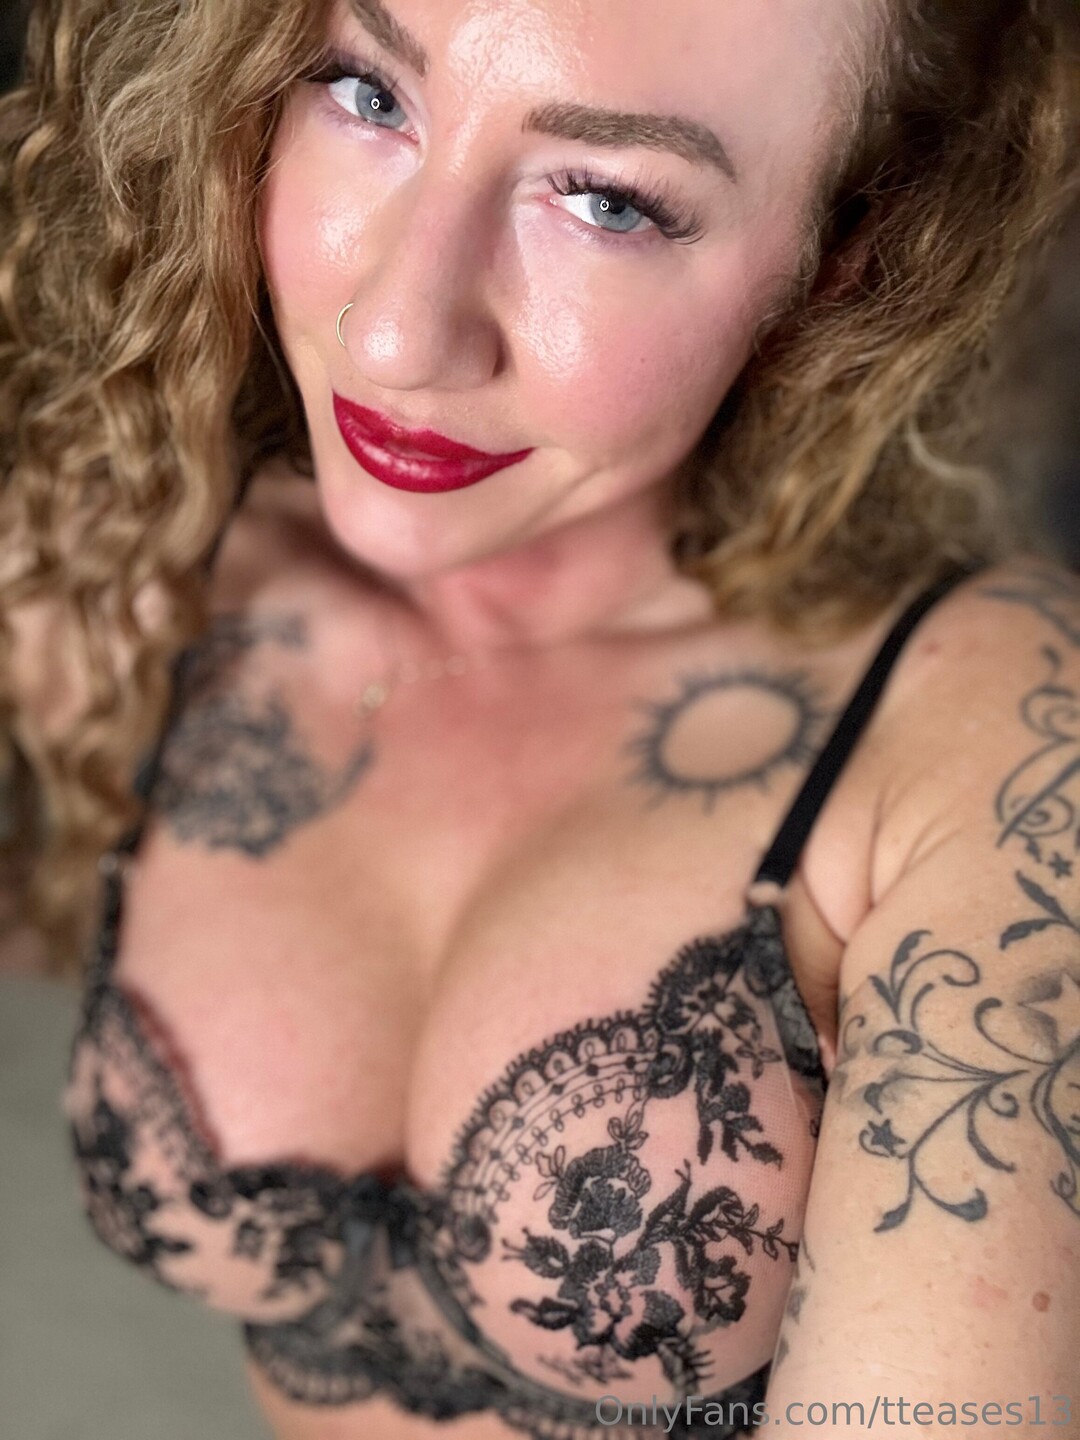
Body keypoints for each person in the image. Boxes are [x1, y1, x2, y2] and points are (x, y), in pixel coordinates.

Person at [1, 1, 1078, 1437]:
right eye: (367, 94)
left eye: (606, 200)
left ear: (845, 257)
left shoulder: (996, 742)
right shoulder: (131, 547)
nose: (398, 331)